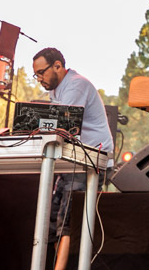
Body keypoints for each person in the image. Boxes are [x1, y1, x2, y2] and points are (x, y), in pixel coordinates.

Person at [32, 47, 114, 270]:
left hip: (89, 162)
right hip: (73, 161)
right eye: (36, 74)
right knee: (52, 221)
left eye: (41, 73)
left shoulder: (76, 85)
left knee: (67, 222)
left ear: (58, 66)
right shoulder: (58, 90)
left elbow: (63, 126)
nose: (39, 79)